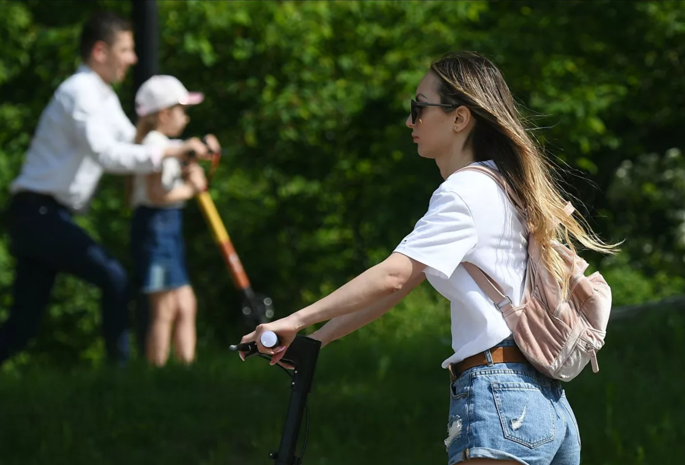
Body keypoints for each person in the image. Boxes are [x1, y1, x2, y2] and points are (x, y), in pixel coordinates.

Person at [239, 51, 616, 465]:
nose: (410, 121)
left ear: (459, 118)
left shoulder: (463, 193)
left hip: (501, 399)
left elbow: (394, 276)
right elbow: (399, 286)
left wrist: (293, 319)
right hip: (546, 406)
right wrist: (315, 340)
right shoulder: (504, 186)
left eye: (418, 108)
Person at [0, 11, 212, 378]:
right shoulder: (79, 93)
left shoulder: (101, 96)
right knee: (114, 279)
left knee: (23, 325)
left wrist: (185, 147)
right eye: (126, 49)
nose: (133, 58)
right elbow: (108, 155)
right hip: (38, 214)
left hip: (41, 215)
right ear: (99, 51)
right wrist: (173, 150)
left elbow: (134, 143)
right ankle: (119, 379)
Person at [129, 75, 218, 366]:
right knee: (165, 309)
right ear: (164, 113)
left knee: (185, 304)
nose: (186, 117)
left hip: (166, 225)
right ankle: (160, 372)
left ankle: (184, 369)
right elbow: (156, 194)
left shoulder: (164, 143)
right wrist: (191, 189)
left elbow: (179, 158)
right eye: (182, 110)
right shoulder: (156, 143)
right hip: (156, 225)